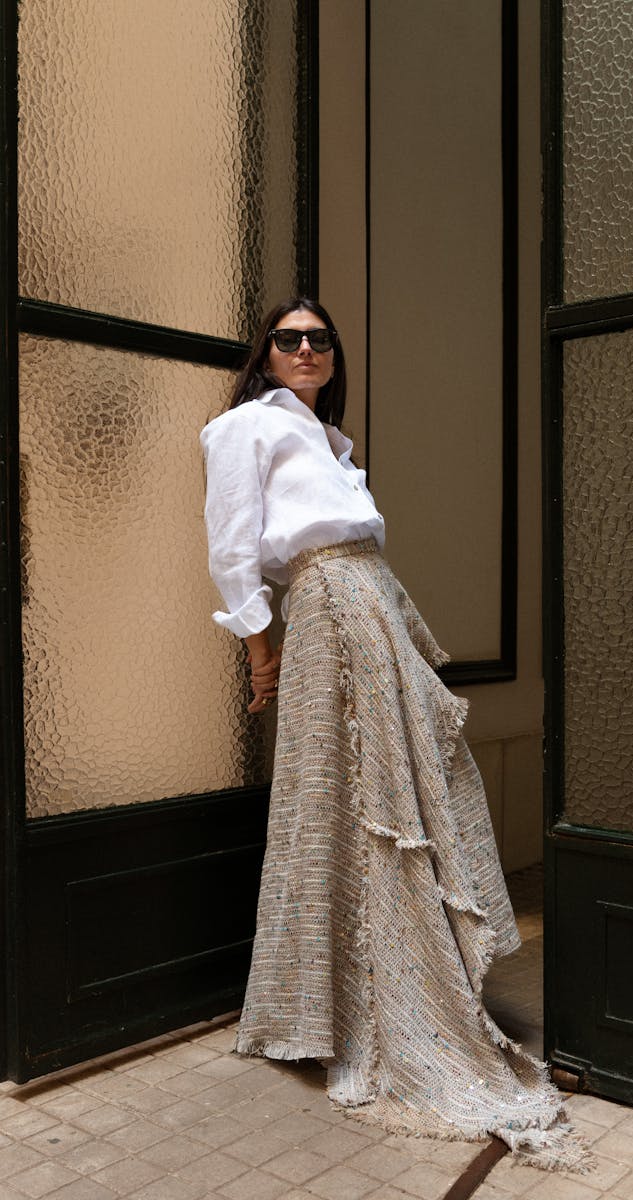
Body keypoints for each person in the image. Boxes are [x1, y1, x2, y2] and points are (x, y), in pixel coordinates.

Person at [200, 298, 583, 1168]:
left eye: (319, 339)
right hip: (331, 609)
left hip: (373, 603)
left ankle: (384, 989)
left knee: (410, 783)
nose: (306, 349)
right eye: (289, 339)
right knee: (345, 800)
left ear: (333, 355)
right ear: (266, 354)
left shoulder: (331, 443)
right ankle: (332, 1008)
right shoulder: (243, 428)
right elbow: (231, 546)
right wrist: (260, 652)